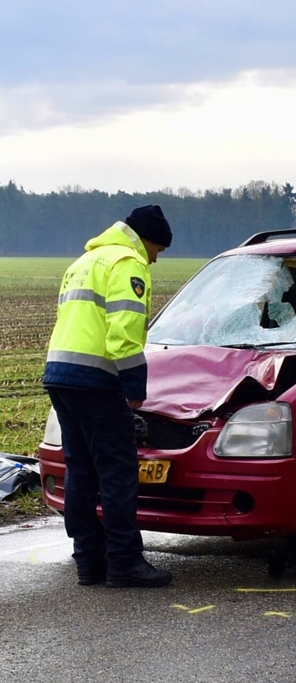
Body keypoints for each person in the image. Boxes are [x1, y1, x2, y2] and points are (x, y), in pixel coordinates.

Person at [43, 205, 174, 588]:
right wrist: (134, 386)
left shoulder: (85, 261)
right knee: (117, 472)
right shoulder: (127, 263)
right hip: (97, 380)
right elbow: (124, 331)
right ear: (147, 238)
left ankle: (89, 561)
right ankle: (125, 563)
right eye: (158, 249)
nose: (156, 258)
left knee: (81, 471)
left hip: (60, 376)